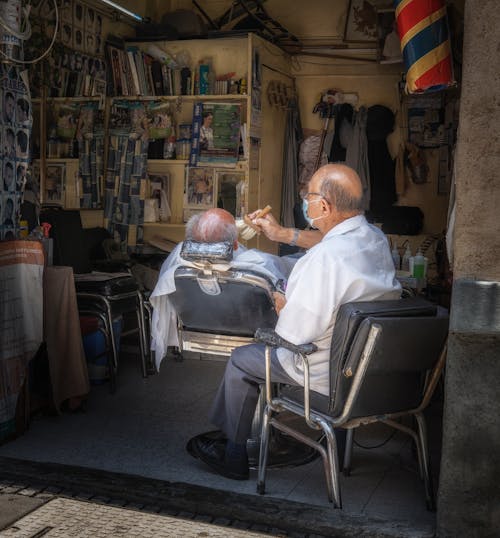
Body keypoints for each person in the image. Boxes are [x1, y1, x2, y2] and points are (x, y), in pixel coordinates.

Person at [186, 164, 402, 480]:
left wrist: (283, 304)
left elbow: (293, 335)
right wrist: (281, 234)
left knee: (243, 359)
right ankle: (337, 450)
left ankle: (233, 453)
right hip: (363, 369)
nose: (306, 201)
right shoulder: (376, 239)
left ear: (324, 206)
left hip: (319, 371)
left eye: (308, 196)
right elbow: (336, 244)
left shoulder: (323, 259)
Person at [149, 208, 297, 371]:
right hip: (254, 330)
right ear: (235, 243)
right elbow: (292, 276)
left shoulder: (177, 263)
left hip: (197, 325)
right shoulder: (261, 264)